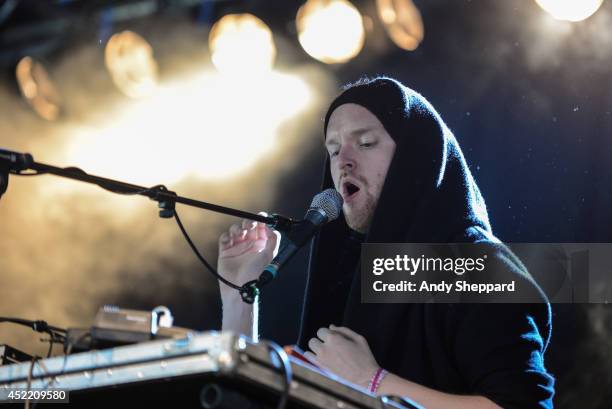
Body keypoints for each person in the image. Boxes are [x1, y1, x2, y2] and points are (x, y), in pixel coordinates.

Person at [217, 77, 555, 409]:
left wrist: (375, 383)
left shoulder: (474, 265)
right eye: (333, 150)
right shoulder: (350, 270)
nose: (343, 161)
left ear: (415, 157)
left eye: (365, 143)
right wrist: (238, 299)